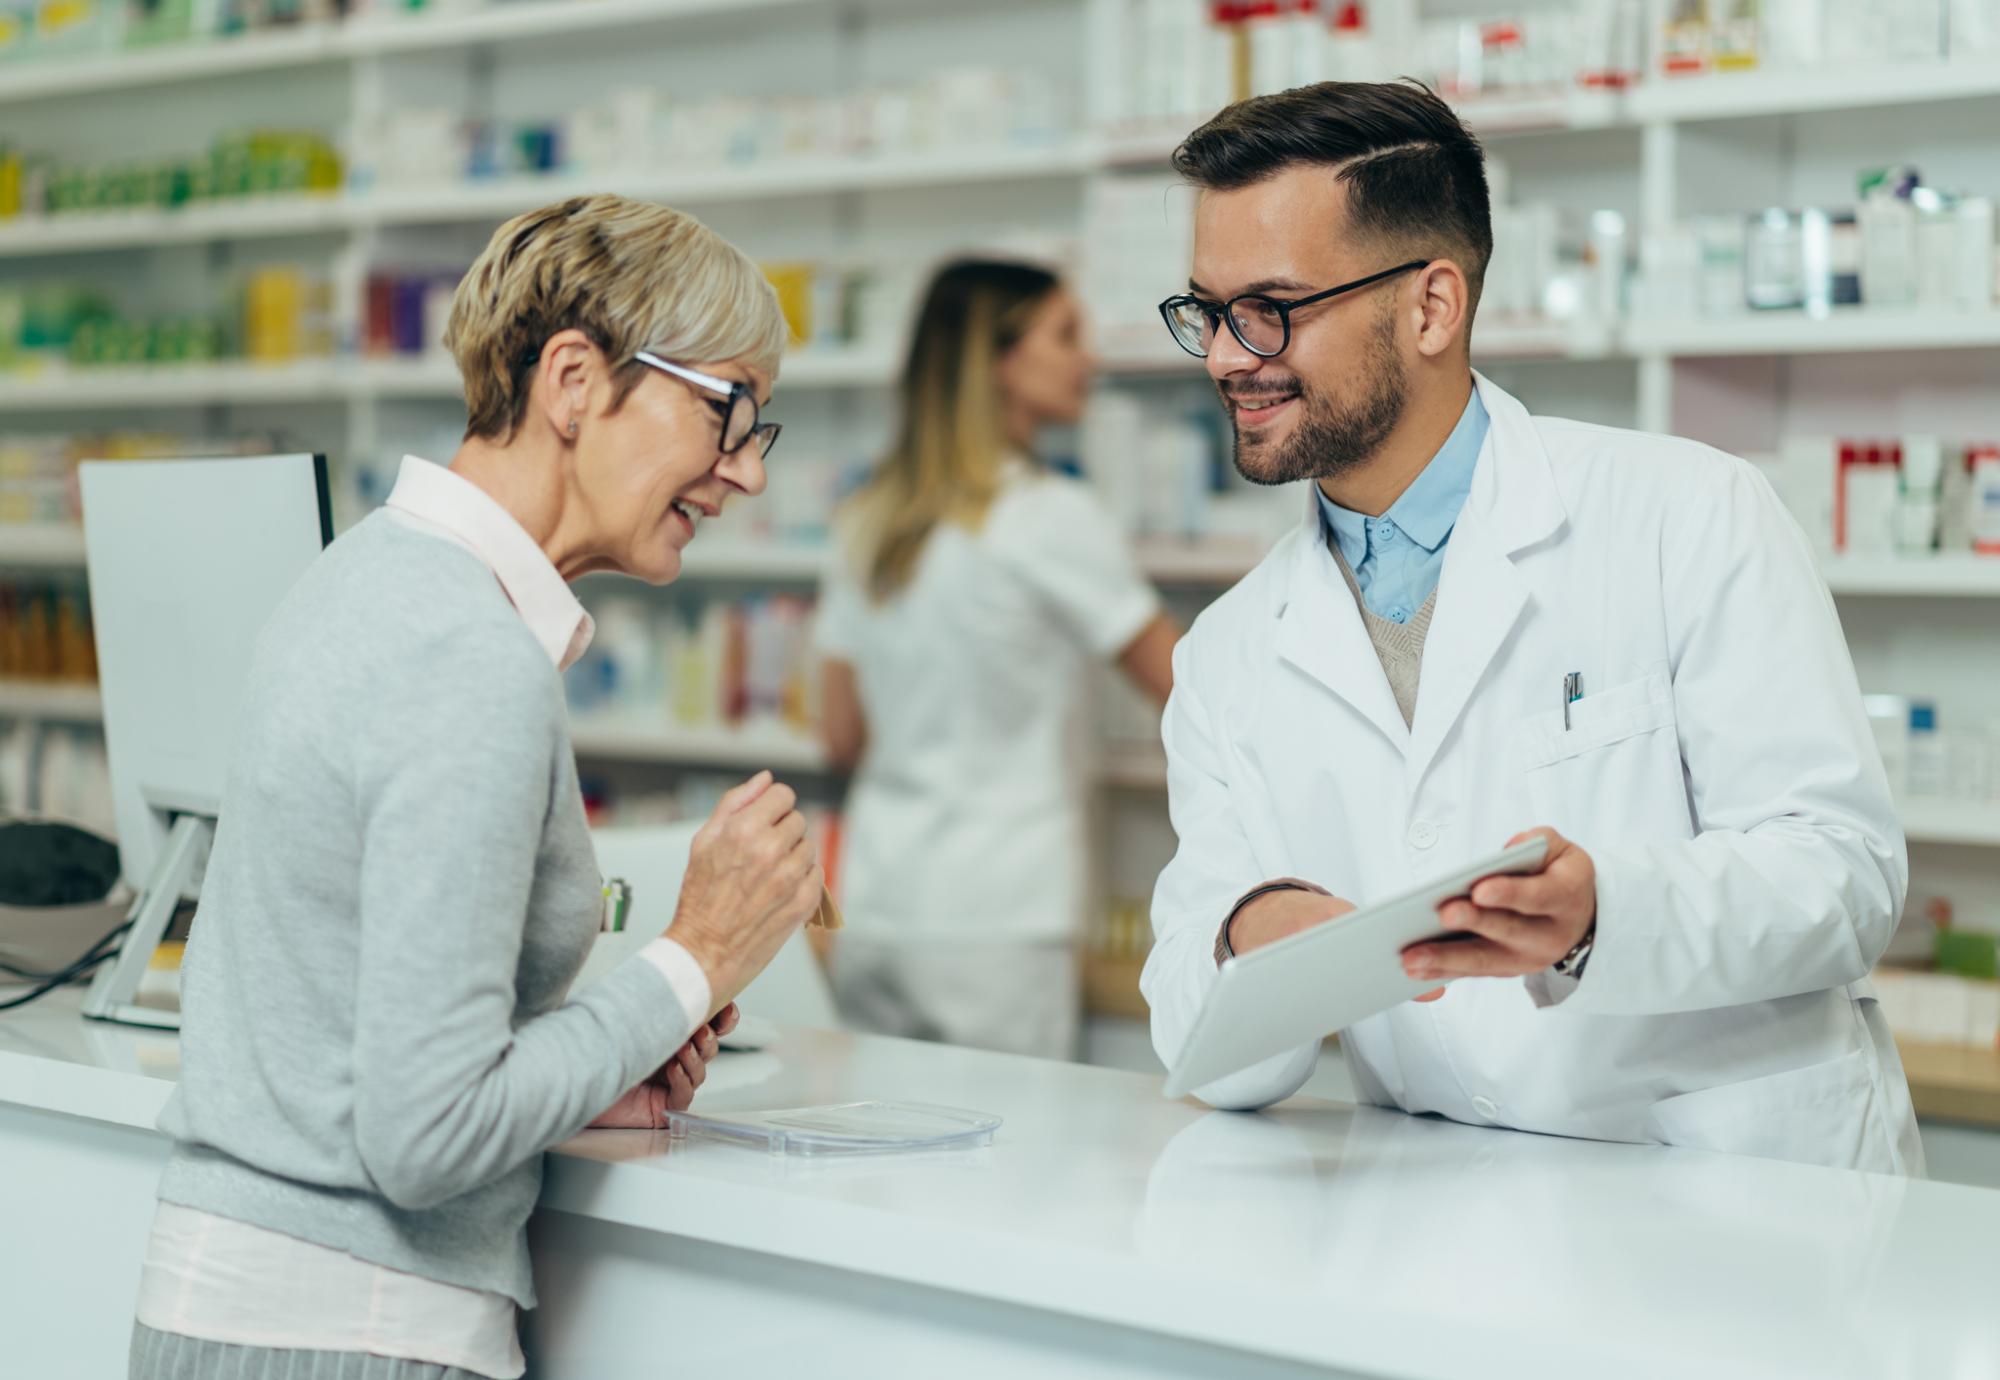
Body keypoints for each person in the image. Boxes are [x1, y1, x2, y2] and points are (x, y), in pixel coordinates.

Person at [1142, 82, 1923, 1175]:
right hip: (1452, 1215)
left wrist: (1601, 911)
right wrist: (1250, 937)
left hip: (1740, 1209)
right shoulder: (1227, 651)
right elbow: (1201, 1053)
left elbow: (1841, 880)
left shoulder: (1686, 512)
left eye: (1269, 307)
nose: (1226, 356)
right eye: (1206, 311)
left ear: (1430, 306)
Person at [130, 195, 823, 1380]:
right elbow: (427, 1138)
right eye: (729, 413)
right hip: (355, 1333)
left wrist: (587, 1068)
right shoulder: (468, 658)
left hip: (241, 1313)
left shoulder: (365, 577)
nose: (745, 473)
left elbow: (372, 1048)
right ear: (572, 380)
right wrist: (695, 955)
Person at [815, 259, 1179, 1061]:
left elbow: (839, 736)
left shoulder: (866, 519)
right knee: (1003, 1175)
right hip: (998, 924)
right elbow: (1188, 689)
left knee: (875, 1170)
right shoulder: (1049, 515)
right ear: (998, 361)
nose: (1089, 359)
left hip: (877, 910)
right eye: (1065, 335)